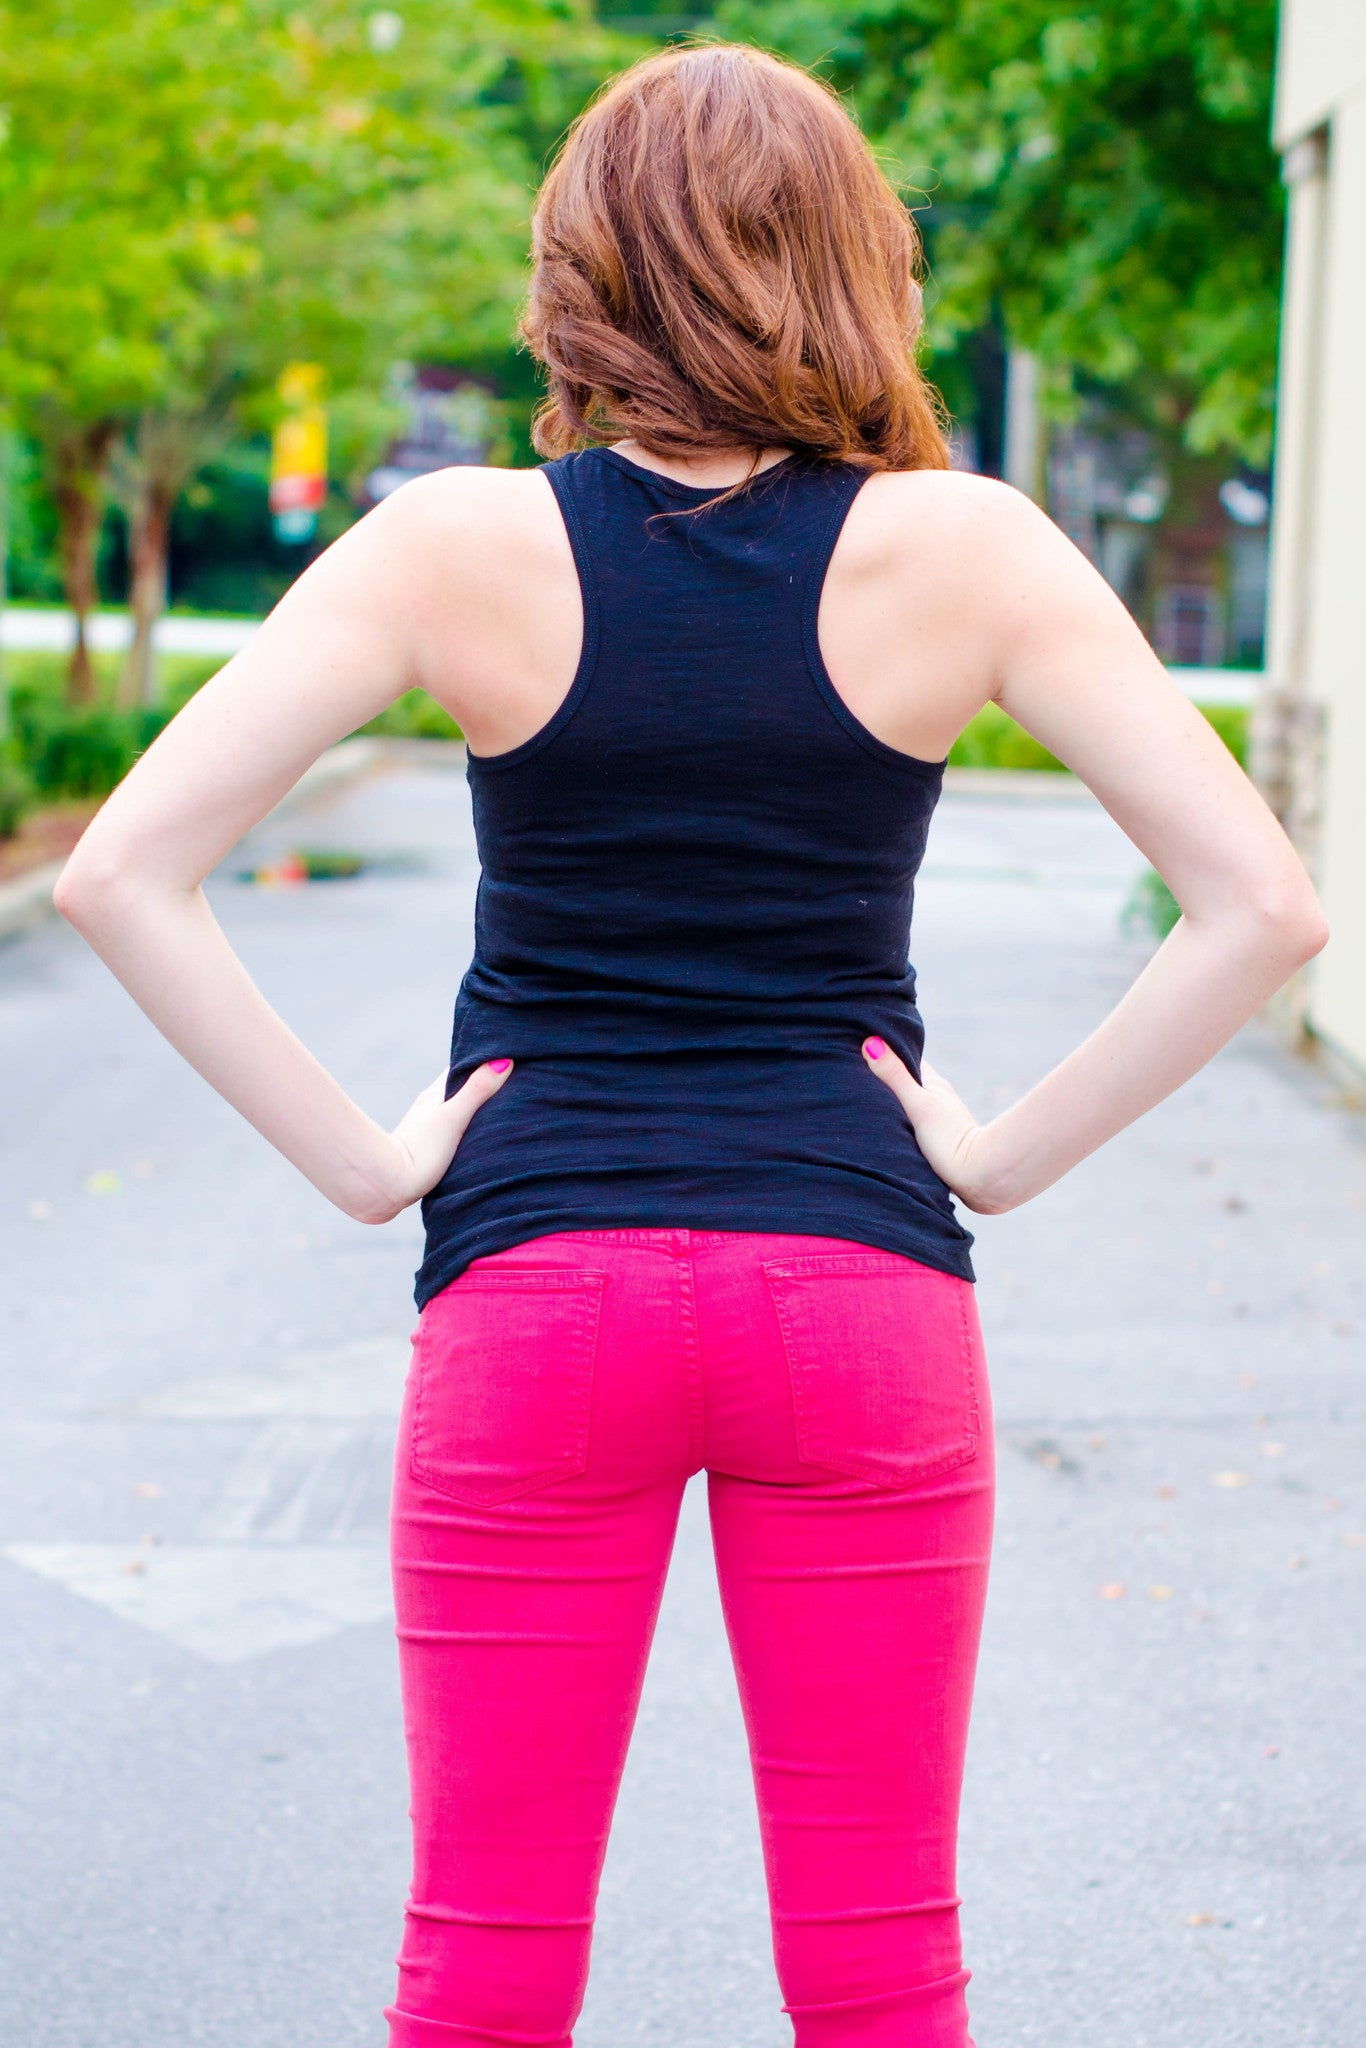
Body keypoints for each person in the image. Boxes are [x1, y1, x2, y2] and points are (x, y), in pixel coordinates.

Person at [55, 40, 1326, 2048]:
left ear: (579, 266)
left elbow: (123, 871)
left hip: (534, 1296)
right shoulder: (968, 546)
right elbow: (1261, 903)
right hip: (856, 1297)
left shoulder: (448, 547)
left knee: (481, 1961)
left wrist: (367, 1162)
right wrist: (993, 1156)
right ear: (850, 263)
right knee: (879, 1968)